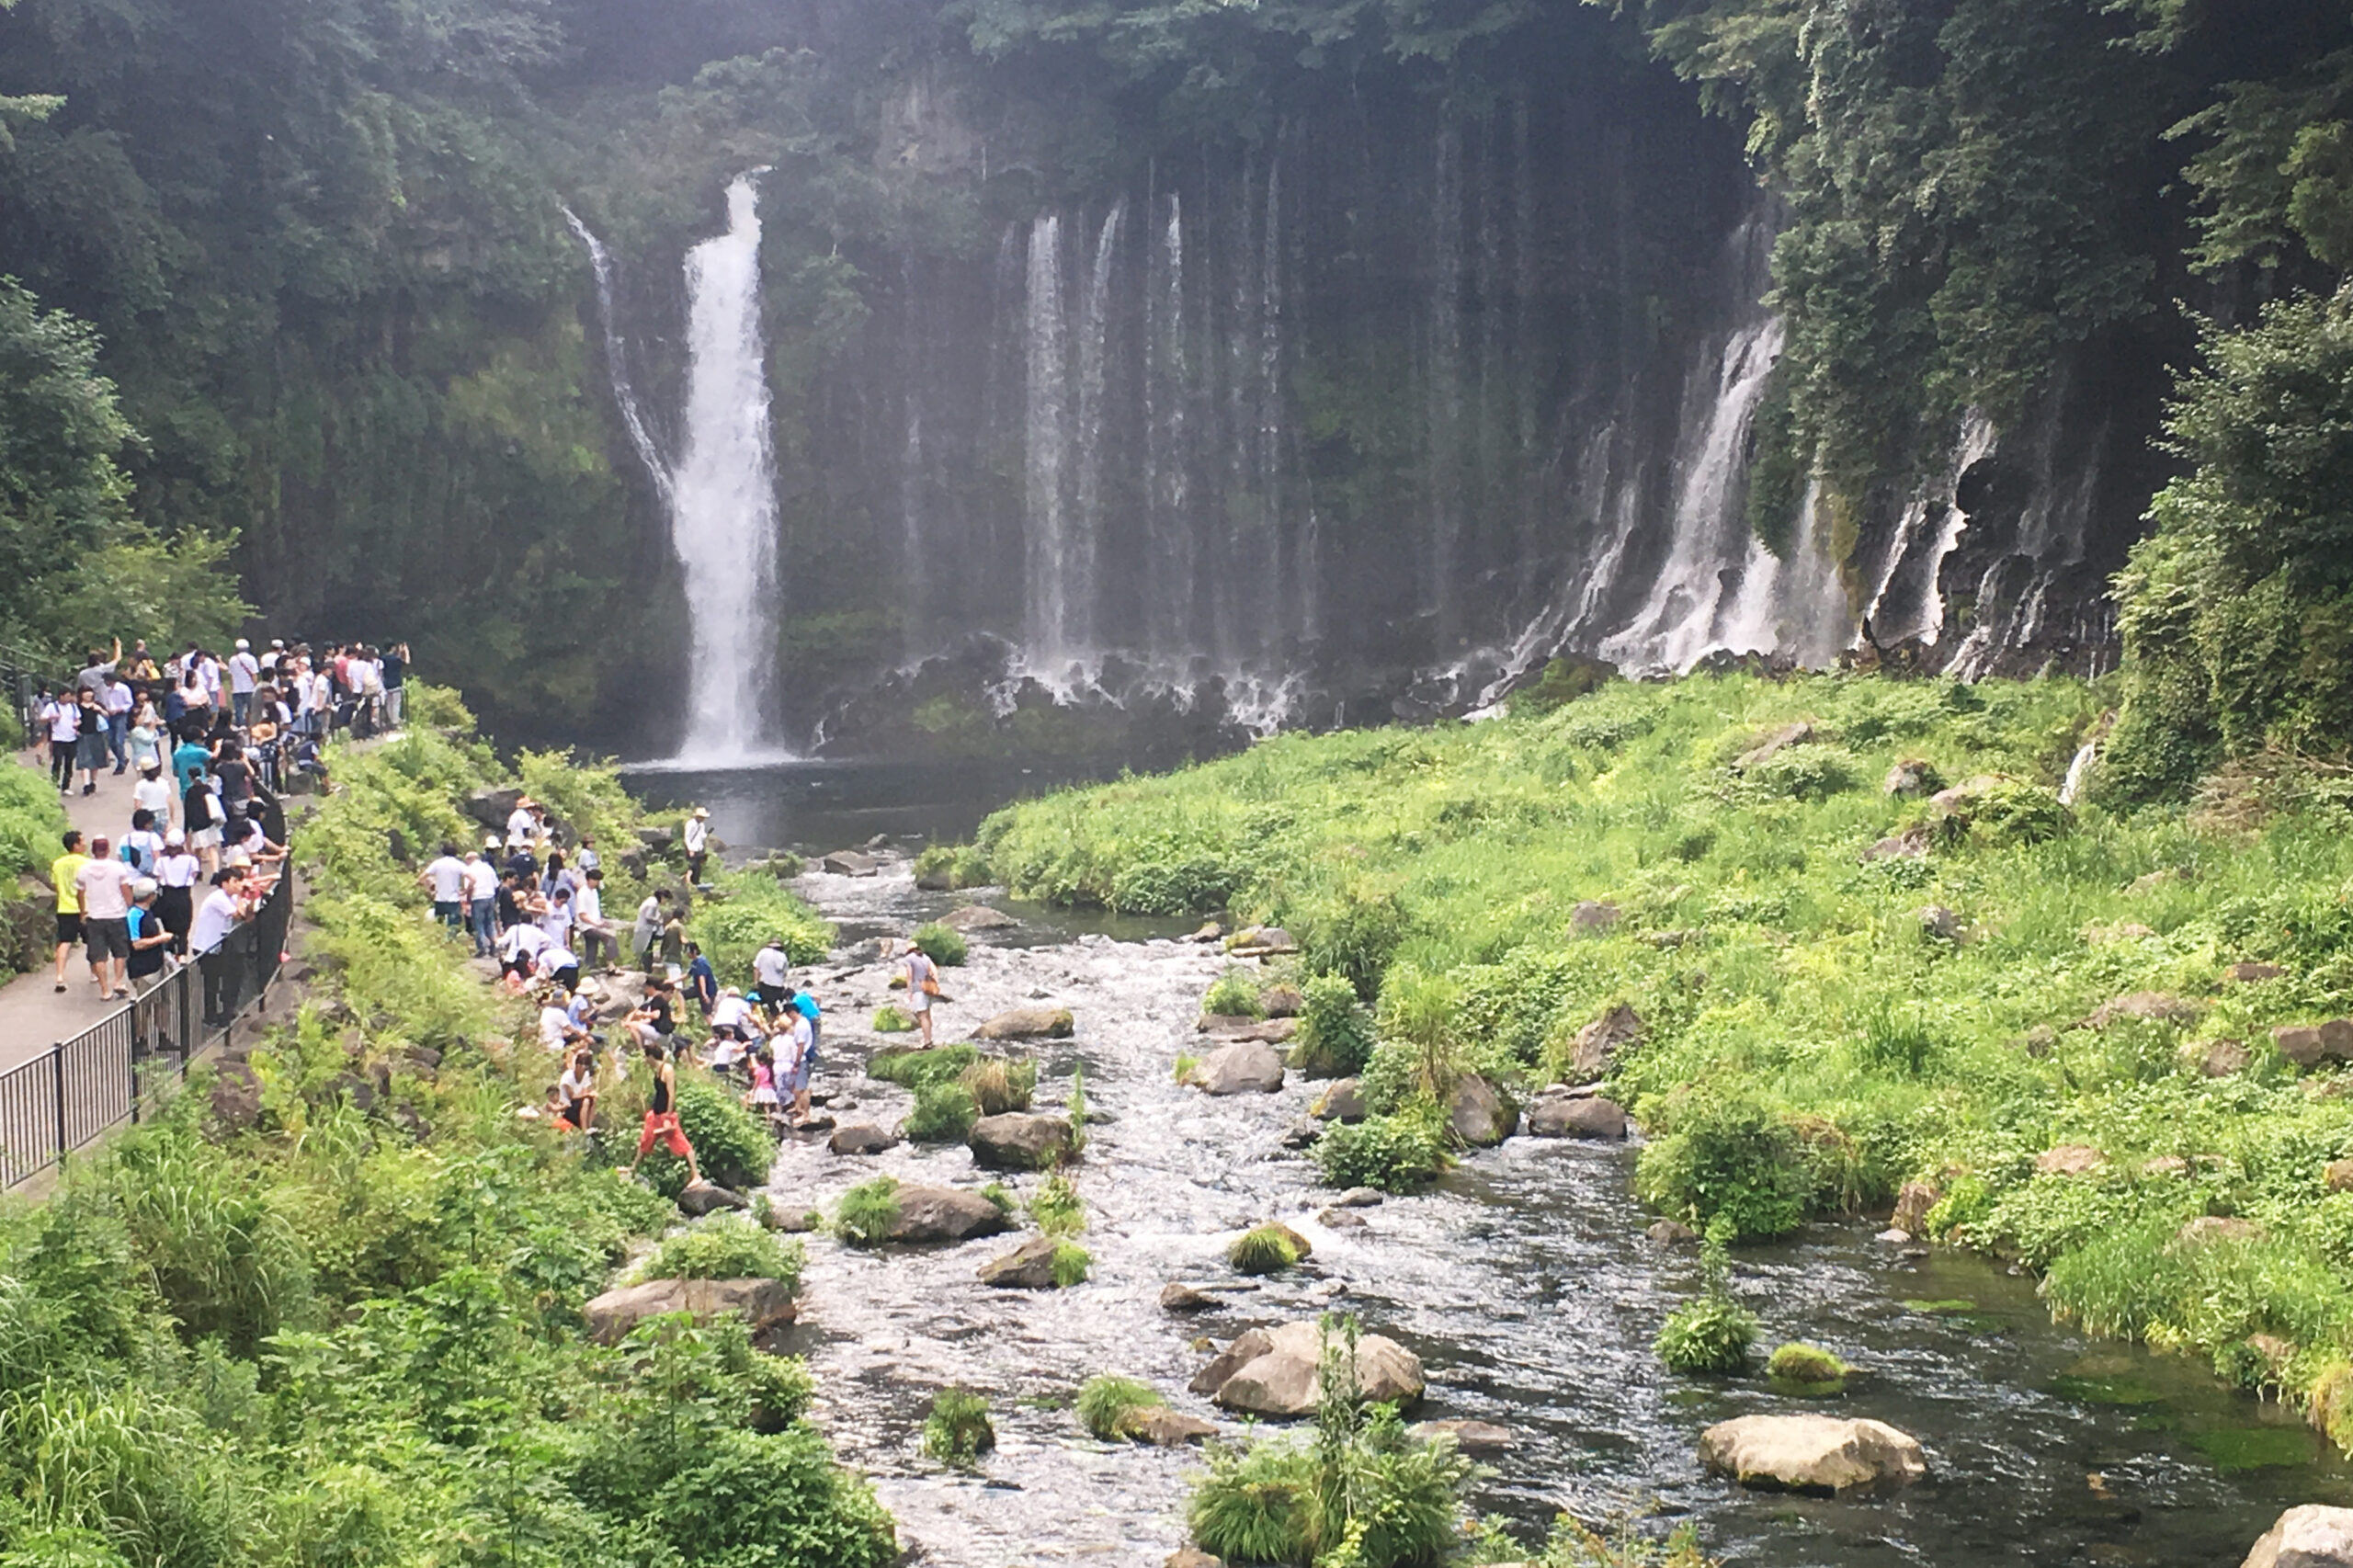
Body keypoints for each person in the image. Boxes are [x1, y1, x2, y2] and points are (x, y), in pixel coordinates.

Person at [626, 1040, 699, 1185]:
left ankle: (696, 1174)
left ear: (651, 1057)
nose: (645, 1060)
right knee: (646, 1140)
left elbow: (671, 1094)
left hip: (666, 1114)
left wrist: (668, 1115)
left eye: (646, 1057)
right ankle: (633, 1168)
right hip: (656, 1114)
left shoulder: (667, 1069)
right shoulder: (657, 1070)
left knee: (682, 1143)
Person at [74, 839, 137, 1001]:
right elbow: (126, 890)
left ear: (93, 851)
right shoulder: (118, 868)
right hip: (117, 914)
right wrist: (131, 907)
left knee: (99, 955)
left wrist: (83, 911)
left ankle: (104, 990)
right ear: (108, 850)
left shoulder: (84, 869)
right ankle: (118, 981)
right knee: (120, 952)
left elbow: (79, 892)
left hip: (95, 916)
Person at [189, 868, 249, 1027]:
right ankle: (210, 1016)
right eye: (235, 882)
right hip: (206, 947)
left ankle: (223, 1011)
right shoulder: (219, 898)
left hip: (216, 945)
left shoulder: (228, 897)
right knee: (211, 983)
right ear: (225, 883)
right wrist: (241, 897)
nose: (238, 885)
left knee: (221, 978)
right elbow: (239, 914)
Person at [49, 829, 88, 993]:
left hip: (64, 907)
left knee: (64, 942)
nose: (85, 843)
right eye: (82, 841)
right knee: (92, 941)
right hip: (84, 908)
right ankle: (95, 974)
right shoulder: (86, 863)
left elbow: (56, 886)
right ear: (75, 845)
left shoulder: (57, 864)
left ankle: (59, 976)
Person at [778, 986, 821, 1124]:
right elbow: (817, 998)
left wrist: (796, 1063)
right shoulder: (802, 1022)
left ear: (791, 1013)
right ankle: (798, 1108)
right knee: (797, 1087)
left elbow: (801, 1046)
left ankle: (805, 1114)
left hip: (802, 1059)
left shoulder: (801, 1026)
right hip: (801, 1058)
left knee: (802, 1089)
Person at [155, 830, 199, 954]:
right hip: (183, 896)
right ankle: (182, 957)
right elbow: (194, 876)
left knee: (168, 931)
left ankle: (170, 957)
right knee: (183, 933)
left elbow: (159, 877)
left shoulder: (161, 861)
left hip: (167, 897)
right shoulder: (191, 860)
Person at [125, 879, 173, 989]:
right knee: (147, 1003)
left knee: (162, 1001)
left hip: (157, 964)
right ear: (149, 896)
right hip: (144, 970)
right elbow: (137, 944)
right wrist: (161, 938)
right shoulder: (134, 915)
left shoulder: (148, 911)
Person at [900, 938, 941, 1047]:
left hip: (918, 989)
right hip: (928, 988)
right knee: (927, 1015)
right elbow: (935, 971)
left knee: (922, 1016)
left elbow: (910, 975)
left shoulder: (908, 959)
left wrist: (909, 991)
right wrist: (935, 983)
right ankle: (929, 1039)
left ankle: (927, 1042)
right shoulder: (925, 957)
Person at [574, 869, 617, 971]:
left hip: (595, 924)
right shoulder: (582, 893)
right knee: (609, 938)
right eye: (596, 880)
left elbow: (595, 910)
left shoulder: (594, 892)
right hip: (586, 926)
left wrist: (601, 921)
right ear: (589, 879)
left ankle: (589, 967)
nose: (597, 882)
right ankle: (610, 964)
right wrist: (596, 924)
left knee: (592, 948)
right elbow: (582, 914)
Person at [420, 843, 468, 933]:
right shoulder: (458, 864)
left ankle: (440, 943)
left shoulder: (437, 863)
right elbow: (472, 878)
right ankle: (450, 942)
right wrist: (465, 891)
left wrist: (430, 890)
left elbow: (421, 878)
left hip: (439, 899)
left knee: (439, 925)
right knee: (453, 926)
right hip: (453, 900)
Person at [463, 845, 499, 958]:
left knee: (478, 924)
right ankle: (494, 947)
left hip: (477, 898)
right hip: (490, 897)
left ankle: (483, 947)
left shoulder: (469, 870)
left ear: (470, 859)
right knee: (490, 922)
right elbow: (496, 884)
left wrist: (468, 899)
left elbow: (469, 886)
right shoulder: (488, 868)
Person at [73, 687, 108, 795]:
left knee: (96, 761)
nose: (88, 695)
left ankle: (93, 781)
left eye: (90, 692)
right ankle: (86, 784)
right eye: (85, 693)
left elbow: (107, 715)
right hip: (83, 735)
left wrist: (99, 710)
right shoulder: (77, 707)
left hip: (97, 735)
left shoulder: (96, 705)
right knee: (85, 761)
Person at [554, 1046, 597, 1131]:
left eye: (585, 1065)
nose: (583, 1068)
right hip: (567, 1107)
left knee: (592, 1099)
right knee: (586, 1101)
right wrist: (588, 1094)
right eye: (581, 1064)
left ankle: (589, 1125)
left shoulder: (586, 1075)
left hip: (577, 1105)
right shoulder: (568, 1076)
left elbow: (585, 1090)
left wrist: (591, 1094)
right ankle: (584, 1129)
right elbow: (572, 1096)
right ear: (577, 1065)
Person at [101, 670, 133, 774]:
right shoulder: (106, 690)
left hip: (121, 715)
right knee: (110, 741)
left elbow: (129, 703)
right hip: (110, 715)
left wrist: (120, 709)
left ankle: (121, 764)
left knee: (119, 741)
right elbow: (106, 702)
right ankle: (122, 757)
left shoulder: (123, 689)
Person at [745, 1042, 781, 1131]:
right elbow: (772, 1081)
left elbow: (757, 1081)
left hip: (761, 1089)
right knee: (769, 1105)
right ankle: (775, 1116)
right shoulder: (770, 1068)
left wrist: (753, 1090)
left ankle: (755, 1116)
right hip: (769, 1089)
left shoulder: (759, 1070)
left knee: (759, 1103)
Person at [631, 888, 671, 967]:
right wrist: (658, 920)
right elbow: (649, 917)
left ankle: (645, 965)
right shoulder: (652, 904)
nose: (665, 902)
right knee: (646, 950)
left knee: (647, 949)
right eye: (666, 899)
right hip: (645, 930)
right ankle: (647, 967)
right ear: (662, 897)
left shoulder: (651, 900)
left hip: (645, 929)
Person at [120, 809, 165, 878]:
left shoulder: (125, 838)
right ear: (146, 824)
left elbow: (121, 857)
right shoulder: (152, 837)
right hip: (148, 879)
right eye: (151, 823)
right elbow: (157, 859)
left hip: (129, 878)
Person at [750, 936, 790, 1010]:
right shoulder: (783, 956)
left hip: (765, 985)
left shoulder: (763, 952)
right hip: (778, 987)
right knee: (775, 1008)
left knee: (761, 1006)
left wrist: (756, 983)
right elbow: (785, 973)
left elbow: (756, 968)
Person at [227, 639, 259, 728]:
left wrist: (232, 687)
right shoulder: (251, 659)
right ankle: (251, 724)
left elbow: (231, 675)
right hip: (249, 688)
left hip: (237, 688)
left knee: (238, 709)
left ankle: (240, 725)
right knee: (251, 708)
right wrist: (255, 685)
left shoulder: (232, 659)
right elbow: (254, 674)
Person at [683, 940, 717, 1018]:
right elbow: (688, 975)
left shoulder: (701, 962)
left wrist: (704, 994)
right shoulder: (694, 962)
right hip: (698, 988)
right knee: (682, 994)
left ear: (694, 951)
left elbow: (702, 978)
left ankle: (717, 1028)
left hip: (708, 990)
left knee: (707, 1014)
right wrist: (673, 981)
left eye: (688, 952)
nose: (687, 954)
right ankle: (681, 1013)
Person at [381, 642, 407, 730]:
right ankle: (395, 722)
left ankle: (390, 720)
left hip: (386, 683)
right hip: (396, 683)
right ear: (392, 648)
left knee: (389, 703)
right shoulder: (396, 659)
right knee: (396, 704)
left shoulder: (383, 658)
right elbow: (406, 661)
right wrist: (405, 651)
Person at [683, 806, 710, 884]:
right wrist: (690, 849)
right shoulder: (690, 824)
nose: (703, 819)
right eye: (702, 817)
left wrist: (706, 836)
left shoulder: (701, 825)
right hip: (691, 849)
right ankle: (688, 882)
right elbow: (687, 837)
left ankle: (696, 883)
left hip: (699, 849)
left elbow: (701, 836)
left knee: (698, 868)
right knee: (692, 867)